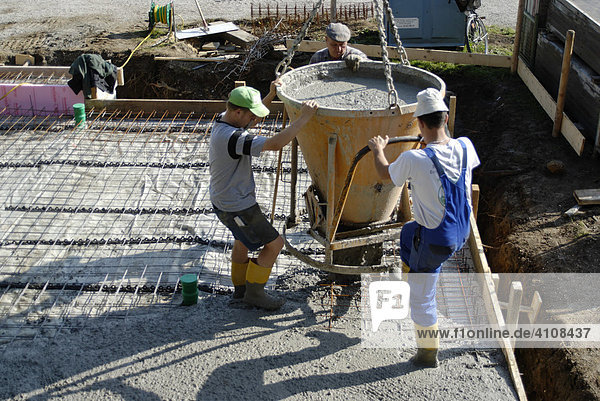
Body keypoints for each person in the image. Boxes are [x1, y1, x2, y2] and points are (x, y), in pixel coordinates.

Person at [368, 88, 480, 367]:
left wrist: (378, 150)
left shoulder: (413, 159)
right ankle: (412, 282)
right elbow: (450, 164)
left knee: (424, 301)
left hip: (437, 241)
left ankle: (427, 353)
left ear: (419, 123)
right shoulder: (465, 146)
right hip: (461, 231)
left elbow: (384, 173)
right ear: (445, 118)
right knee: (407, 233)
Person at [209, 83, 318, 310]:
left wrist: (269, 96)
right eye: (252, 116)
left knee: (241, 240)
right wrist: (304, 118)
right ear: (238, 112)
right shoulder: (233, 138)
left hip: (222, 201)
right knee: (275, 244)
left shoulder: (223, 118)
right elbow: (276, 144)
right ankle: (254, 294)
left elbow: (249, 117)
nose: (255, 121)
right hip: (238, 205)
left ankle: (241, 289)